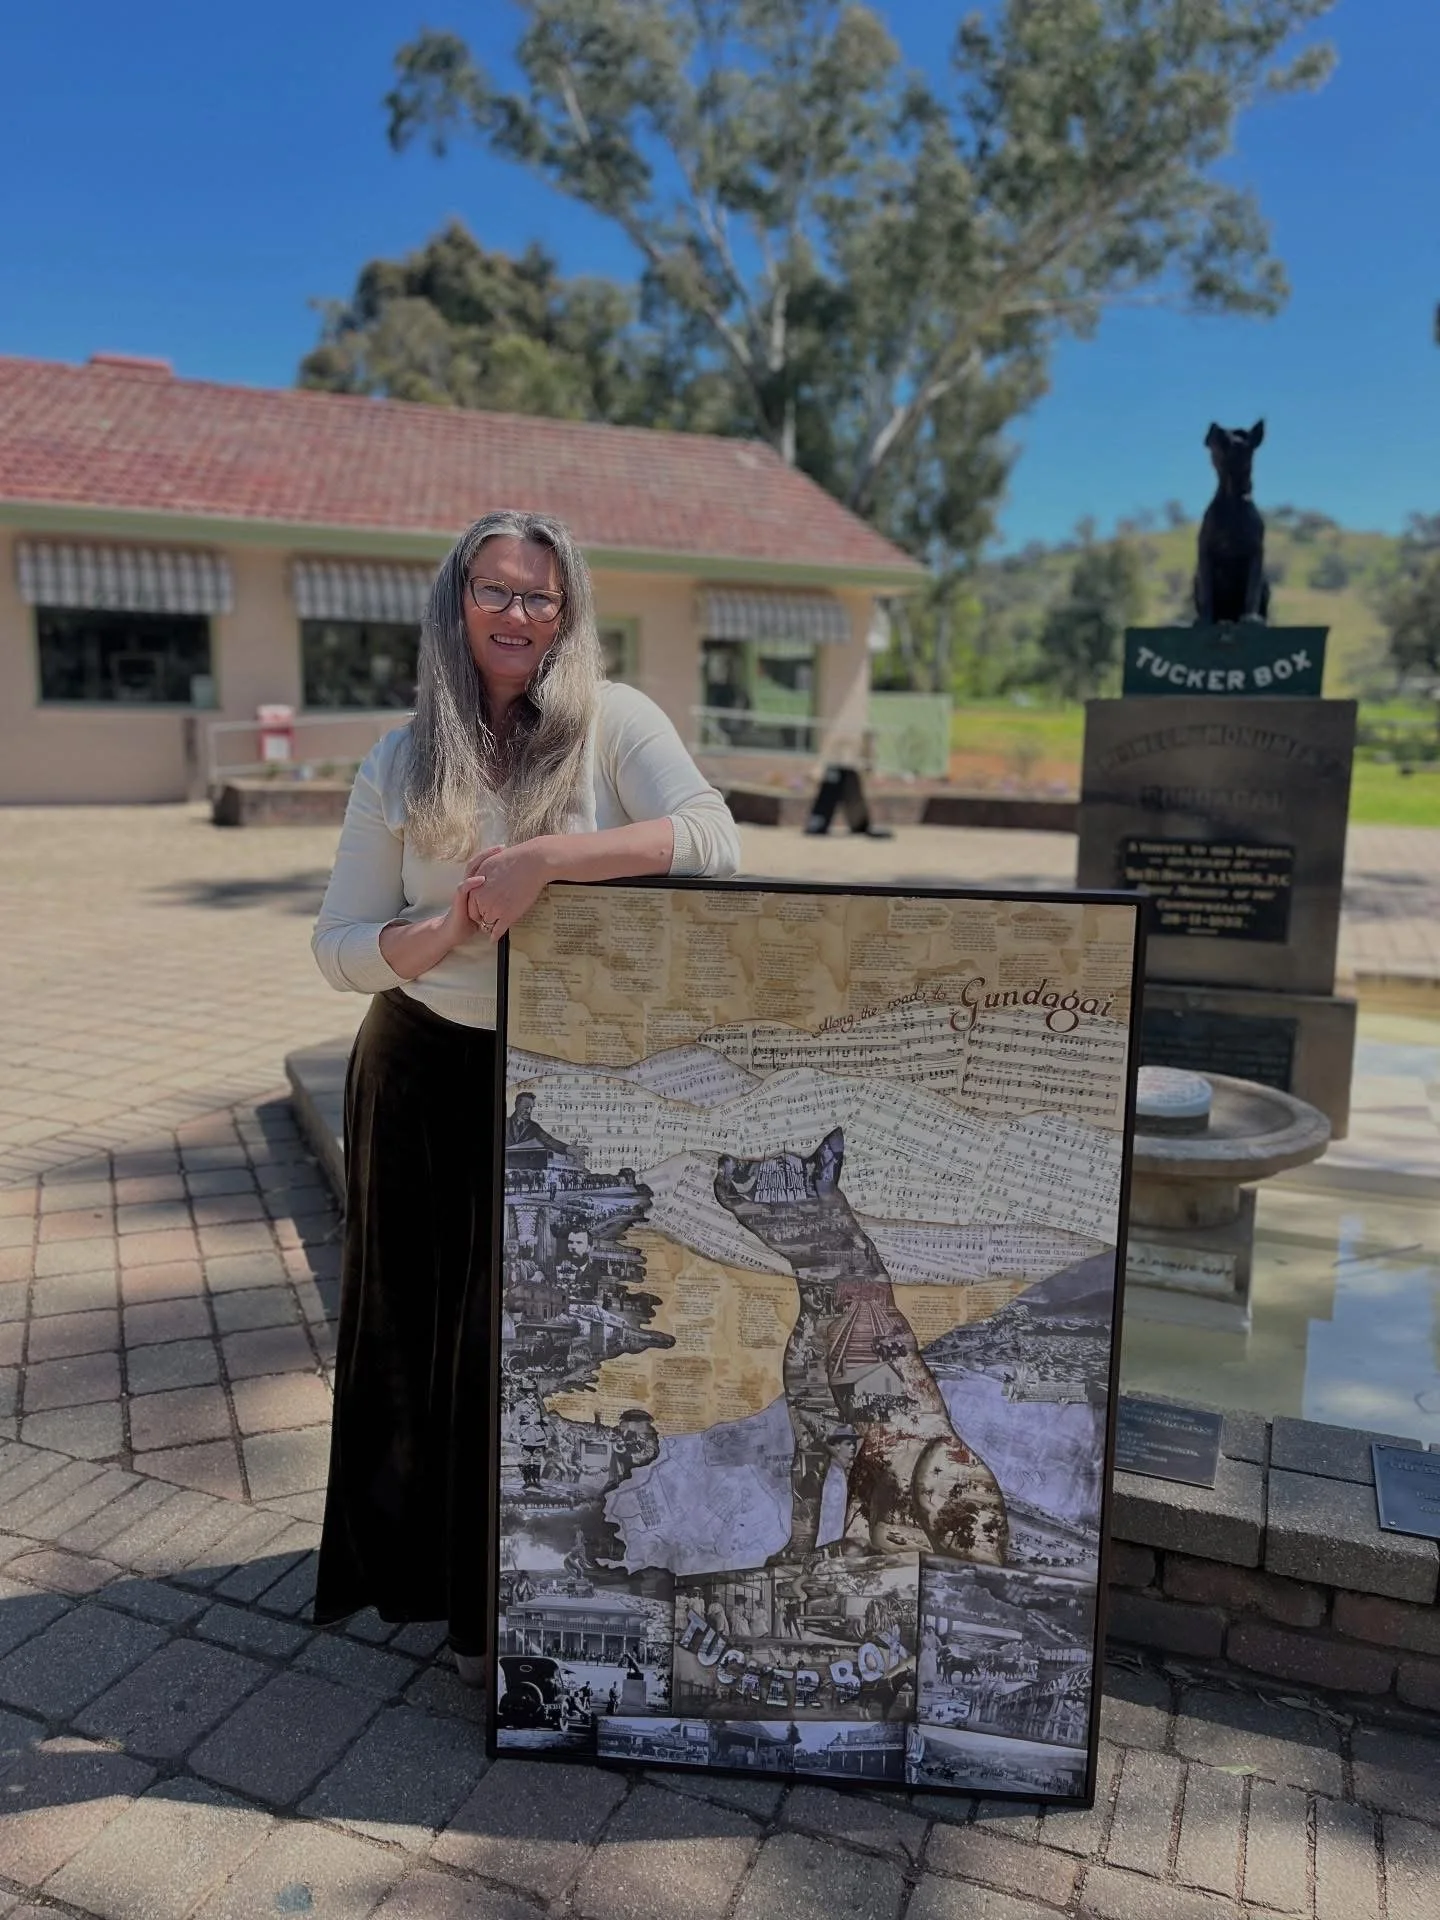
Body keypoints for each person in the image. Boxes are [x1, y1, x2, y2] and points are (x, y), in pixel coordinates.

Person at [310, 508, 741, 1680]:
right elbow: (340, 945)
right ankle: (433, 1585)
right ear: (456, 603)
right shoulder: (403, 761)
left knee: (536, 1349)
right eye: (494, 590)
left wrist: (554, 859)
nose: (516, 614)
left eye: (540, 597)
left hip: (565, 1084)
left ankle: (524, 1594)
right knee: (422, 1330)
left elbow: (714, 838)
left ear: (568, 613)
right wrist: (446, 922)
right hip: (419, 1062)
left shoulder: (615, 723)